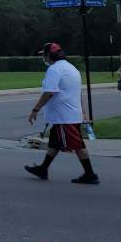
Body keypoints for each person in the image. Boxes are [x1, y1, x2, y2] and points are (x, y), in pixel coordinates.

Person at [25, 42, 99, 185]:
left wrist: (35, 109)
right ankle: (43, 169)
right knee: (54, 142)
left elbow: (49, 92)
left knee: (78, 145)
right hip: (70, 114)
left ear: (49, 55)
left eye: (44, 55)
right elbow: (78, 93)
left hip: (64, 117)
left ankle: (90, 174)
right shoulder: (71, 68)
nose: (43, 58)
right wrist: (83, 112)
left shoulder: (54, 69)